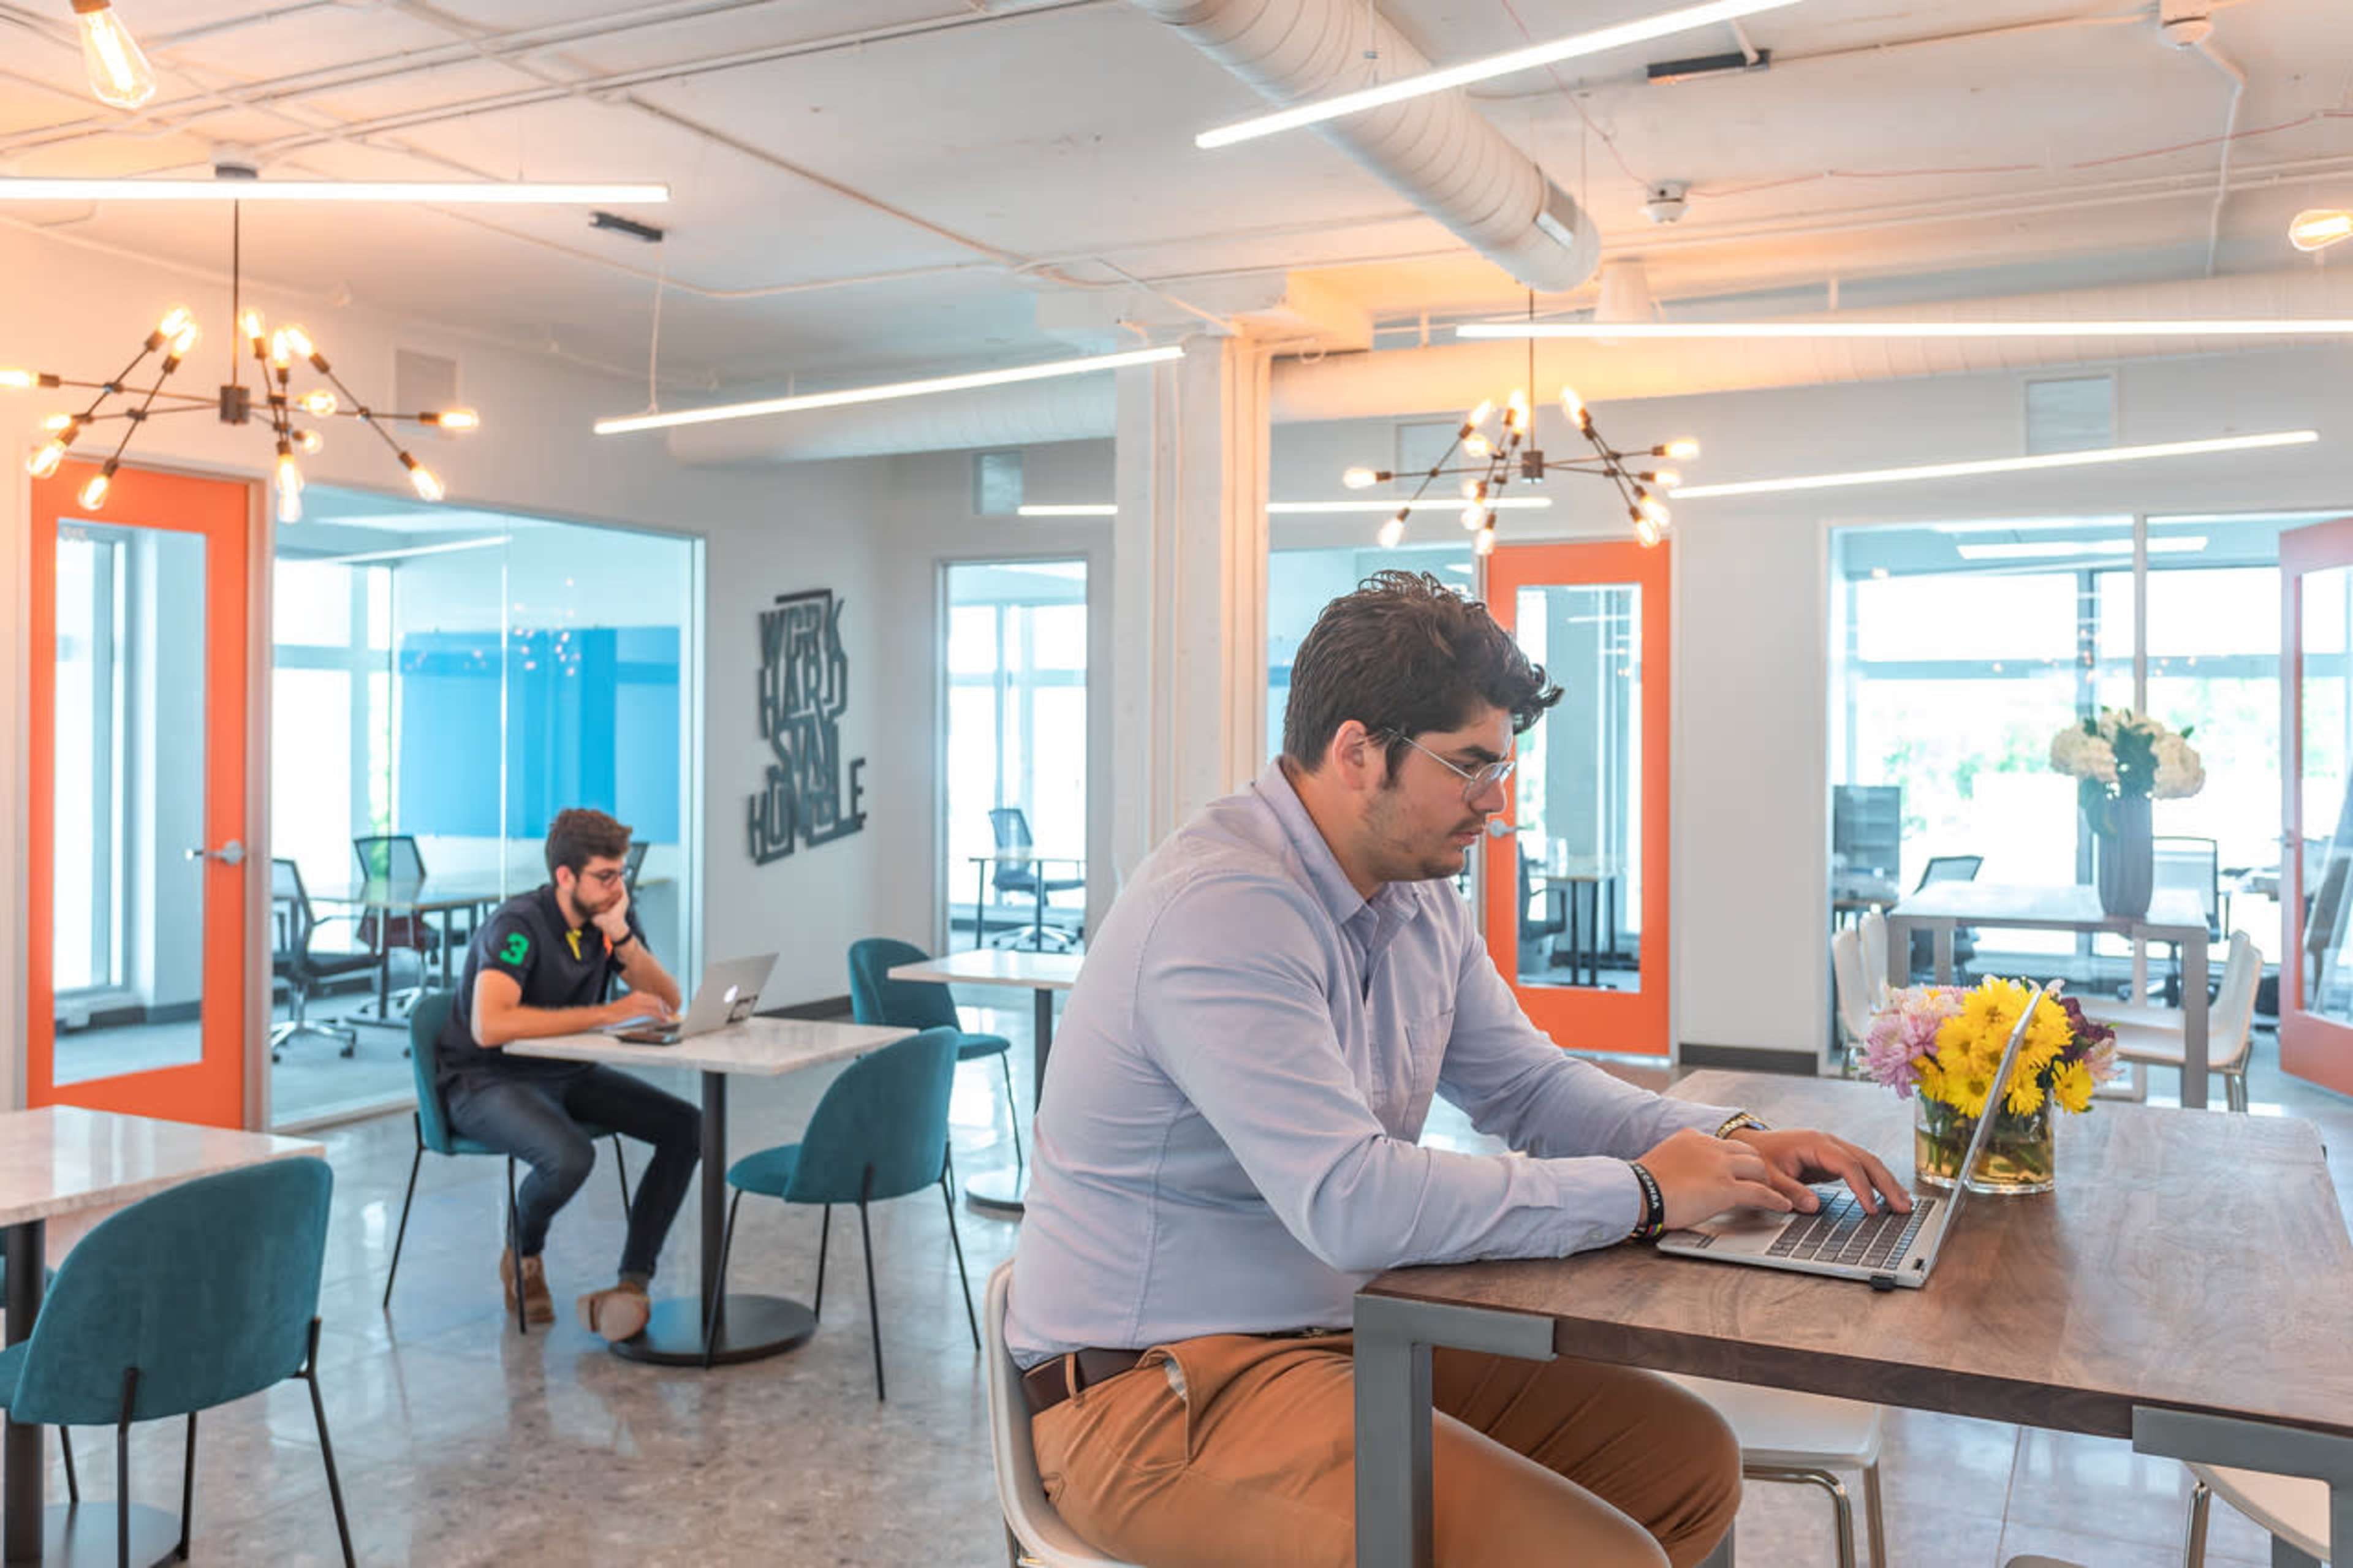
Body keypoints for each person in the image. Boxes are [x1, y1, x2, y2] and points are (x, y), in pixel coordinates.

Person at [1007, 572, 1909, 1567]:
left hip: (1338, 1325)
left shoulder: (1414, 885)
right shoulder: (1224, 907)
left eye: (1504, 766)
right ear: (1357, 752)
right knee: (1599, 1557)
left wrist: (1725, 1147)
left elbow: (1525, 1085)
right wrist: (1648, 1192)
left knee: (1688, 1463)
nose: (1496, 800)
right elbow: (1353, 1198)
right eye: (1471, 766)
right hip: (1153, 1390)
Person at [438, 807, 702, 1343]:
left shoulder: (608, 916)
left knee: (690, 1127)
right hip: (486, 1079)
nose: (617, 885)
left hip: (564, 1071)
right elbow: (490, 1025)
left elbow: (668, 1000)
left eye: (621, 873)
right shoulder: (517, 927)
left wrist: (623, 935)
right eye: (606, 876)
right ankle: (524, 1252)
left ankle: (632, 1284)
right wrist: (606, 1014)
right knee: (571, 1156)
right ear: (565, 877)